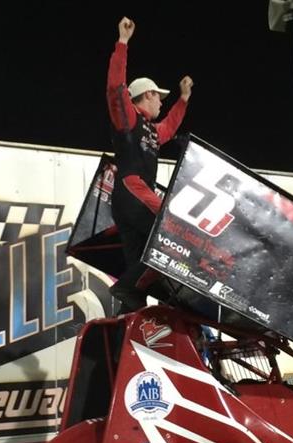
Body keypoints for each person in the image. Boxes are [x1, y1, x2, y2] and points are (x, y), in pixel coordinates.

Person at [106, 16, 193, 312]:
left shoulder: (153, 132)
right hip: (133, 193)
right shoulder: (128, 116)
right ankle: (125, 289)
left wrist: (183, 99)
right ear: (149, 95)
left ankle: (128, 316)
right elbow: (116, 88)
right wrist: (123, 43)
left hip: (128, 200)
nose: (161, 104)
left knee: (139, 267)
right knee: (171, 236)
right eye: (160, 98)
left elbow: (170, 125)